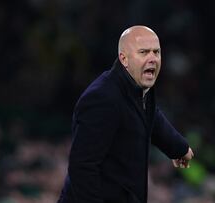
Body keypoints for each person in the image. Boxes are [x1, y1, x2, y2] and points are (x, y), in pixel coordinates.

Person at [57, 25, 194, 203]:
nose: (153, 58)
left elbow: (151, 116)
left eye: (156, 52)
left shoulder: (139, 87)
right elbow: (82, 167)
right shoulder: (102, 98)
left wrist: (179, 148)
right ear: (124, 59)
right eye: (144, 52)